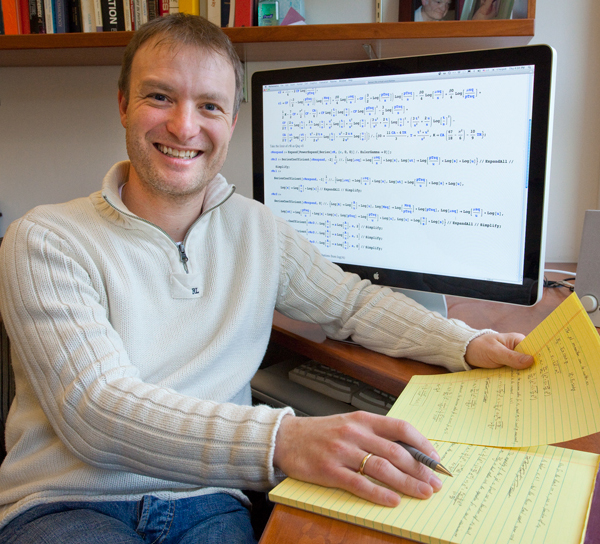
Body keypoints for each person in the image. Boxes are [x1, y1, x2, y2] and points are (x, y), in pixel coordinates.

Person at [0, 13, 534, 544]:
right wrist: (285, 439)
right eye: (160, 97)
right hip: (67, 502)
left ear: (232, 120)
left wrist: (465, 343)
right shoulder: (46, 238)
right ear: (123, 105)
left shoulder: (257, 230)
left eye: (210, 105)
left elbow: (350, 304)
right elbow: (96, 411)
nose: (185, 127)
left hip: (209, 497)